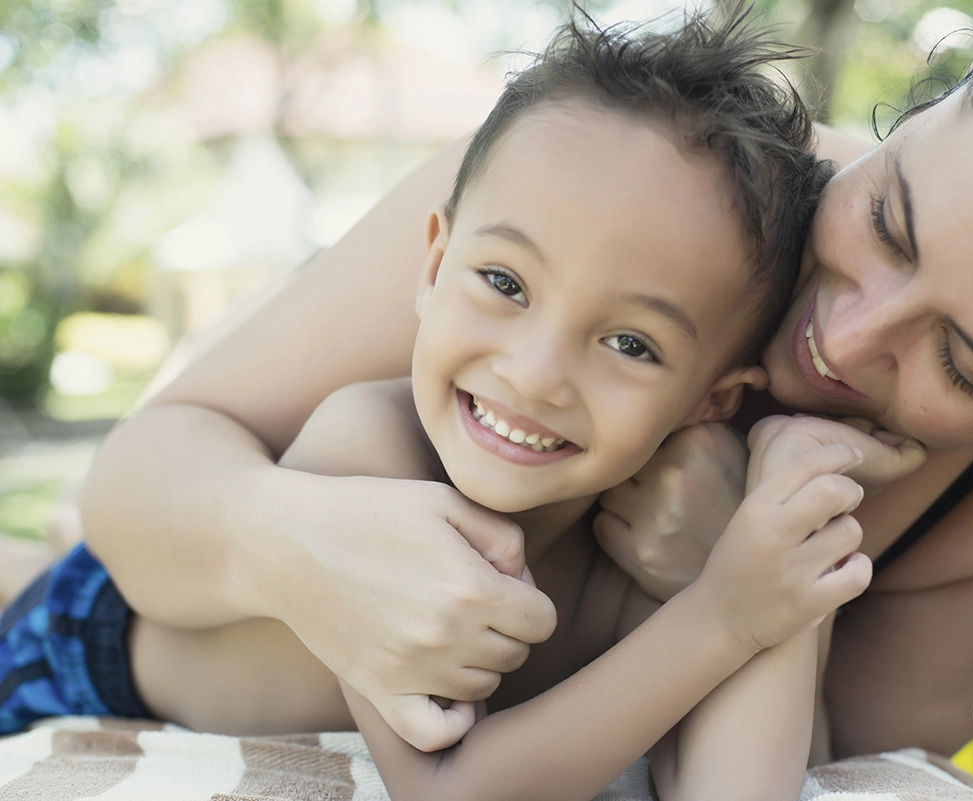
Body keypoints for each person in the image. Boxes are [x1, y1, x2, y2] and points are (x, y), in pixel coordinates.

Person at [72, 0, 973, 767]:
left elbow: (841, 759)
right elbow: (144, 473)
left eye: (963, 363)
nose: (845, 341)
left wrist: (735, 573)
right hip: (132, 636)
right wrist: (294, 541)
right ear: (930, 109)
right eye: (888, 219)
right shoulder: (632, 182)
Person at [0, 10, 885, 799]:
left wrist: (788, 515)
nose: (535, 374)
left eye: (631, 343)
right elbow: (449, 788)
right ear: (432, 265)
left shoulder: (648, 539)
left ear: (711, 400)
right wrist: (726, 616)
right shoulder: (367, 446)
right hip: (81, 651)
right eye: (504, 281)